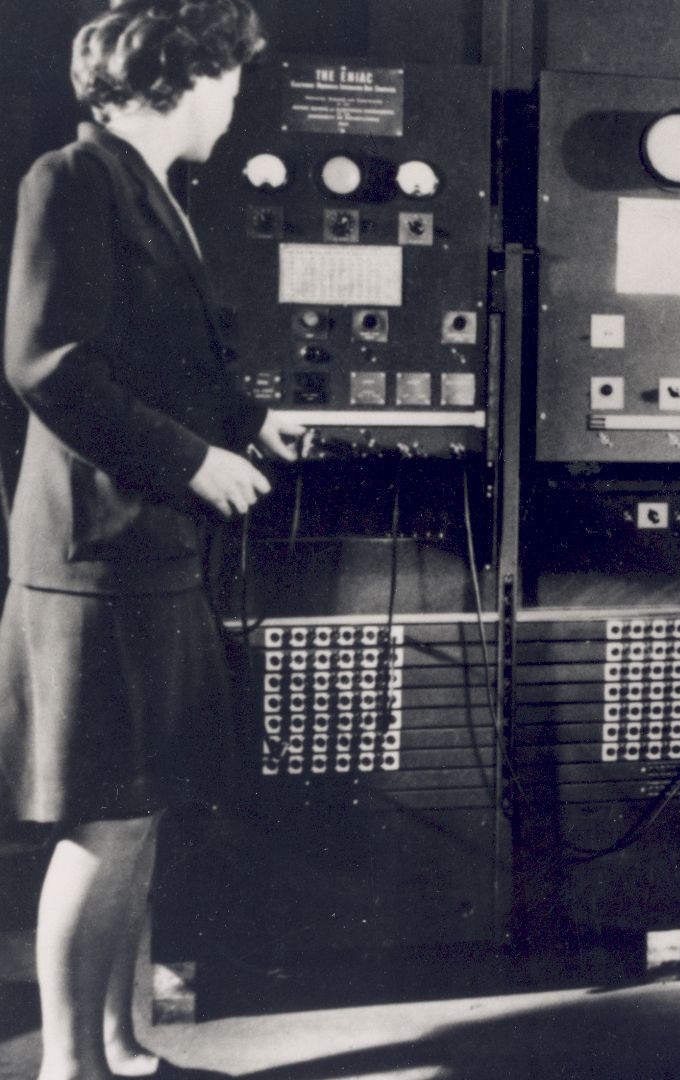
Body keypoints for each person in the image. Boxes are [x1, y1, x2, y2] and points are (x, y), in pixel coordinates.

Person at [0, 3, 303, 1078]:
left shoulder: (154, 196)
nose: (235, 102)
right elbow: (49, 363)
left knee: (143, 810)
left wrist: (249, 418)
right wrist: (195, 462)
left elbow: (158, 357)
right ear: (175, 81)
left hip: (147, 554)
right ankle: (68, 1069)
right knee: (109, 822)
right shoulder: (70, 181)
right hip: (98, 557)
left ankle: (122, 1049)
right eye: (228, 81)